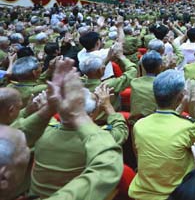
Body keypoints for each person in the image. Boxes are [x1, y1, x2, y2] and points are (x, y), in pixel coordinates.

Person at [0, 58, 123, 200]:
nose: (29, 149)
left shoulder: (45, 132)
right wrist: (80, 115)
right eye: (25, 148)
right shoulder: (103, 136)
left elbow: (15, 134)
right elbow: (108, 165)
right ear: (4, 176)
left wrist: (46, 110)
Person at [129, 70, 195, 200]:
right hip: (174, 195)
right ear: (181, 96)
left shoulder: (139, 125)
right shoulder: (188, 128)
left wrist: (180, 105)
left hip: (141, 194)